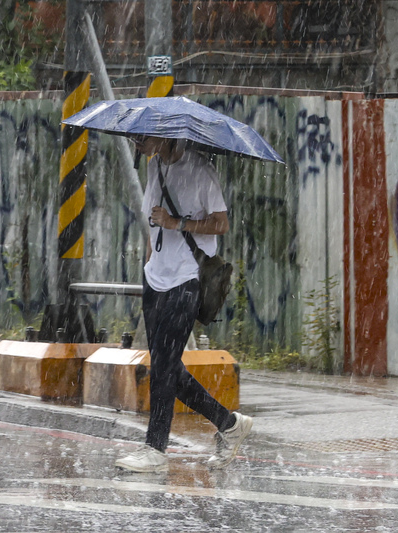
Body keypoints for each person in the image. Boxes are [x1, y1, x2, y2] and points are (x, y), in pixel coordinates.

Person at [115, 136, 253, 473]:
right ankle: (229, 422)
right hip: (155, 279)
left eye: (144, 136)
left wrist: (178, 224)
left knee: (163, 367)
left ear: (167, 134)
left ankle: (155, 448)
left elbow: (221, 223)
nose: (137, 141)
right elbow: (152, 229)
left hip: (186, 280)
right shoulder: (154, 166)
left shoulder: (200, 170)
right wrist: (148, 271)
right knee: (167, 367)